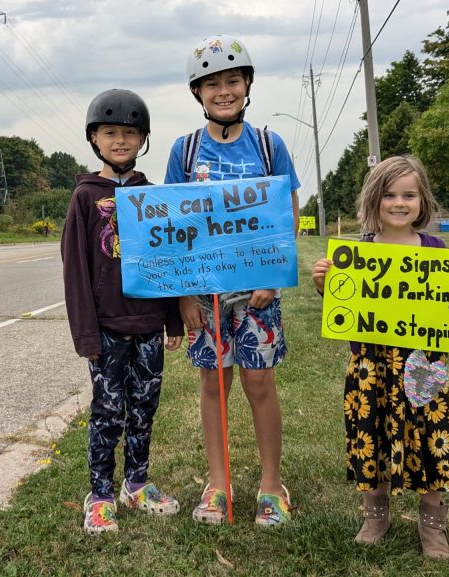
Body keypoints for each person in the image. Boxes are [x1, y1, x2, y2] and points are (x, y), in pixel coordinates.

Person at [311, 155, 449, 559]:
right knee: (371, 438)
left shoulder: (436, 251)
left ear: (422, 201)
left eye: (409, 194)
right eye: (389, 195)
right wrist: (325, 286)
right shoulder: (358, 253)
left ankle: (433, 525)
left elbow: (445, 311)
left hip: (423, 365)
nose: (399, 203)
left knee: (430, 440)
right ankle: (375, 514)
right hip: (370, 367)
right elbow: (345, 308)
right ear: (375, 200)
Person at [164, 34, 301, 527]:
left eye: (232, 80)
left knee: (260, 382)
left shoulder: (269, 144)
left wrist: (274, 274)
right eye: (212, 84)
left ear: (247, 85)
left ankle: (271, 484)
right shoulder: (184, 151)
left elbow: (287, 210)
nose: (223, 91)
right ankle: (217, 482)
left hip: (258, 291)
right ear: (197, 93)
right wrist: (182, 293)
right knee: (213, 384)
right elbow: (169, 226)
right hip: (205, 293)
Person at [62, 88, 185, 535]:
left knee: (144, 409)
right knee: (107, 412)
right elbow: (75, 269)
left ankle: (136, 484)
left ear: (142, 139)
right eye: (110, 133)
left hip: (149, 325)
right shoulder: (84, 197)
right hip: (107, 328)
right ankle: (100, 493)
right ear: (95, 139)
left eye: (129, 133)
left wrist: (172, 319)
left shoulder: (153, 197)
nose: (120, 141)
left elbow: (170, 263)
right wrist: (86, 335)